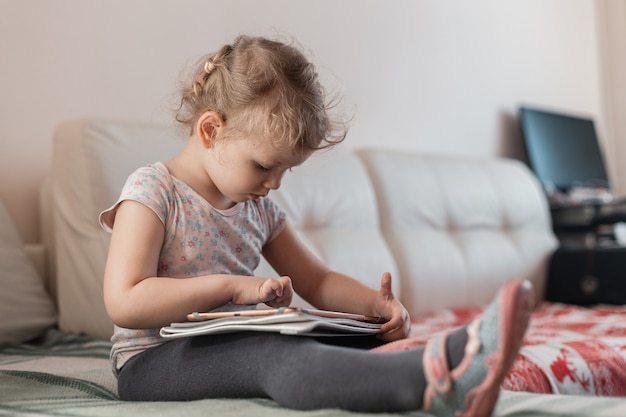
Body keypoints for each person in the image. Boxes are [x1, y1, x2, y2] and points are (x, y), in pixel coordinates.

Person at [100, 34, 533, 416]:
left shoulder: (260, 210)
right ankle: (434, 381)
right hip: (152, 360)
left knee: (350, 341)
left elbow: (318, 280)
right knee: (270, 357)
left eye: (286, 171)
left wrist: (374, 307)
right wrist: (231, 287)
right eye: (265, 166)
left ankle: (457, 358)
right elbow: (126, 300)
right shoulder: (154, 190)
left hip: (232, 342)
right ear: (212, 130)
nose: (274, 184)